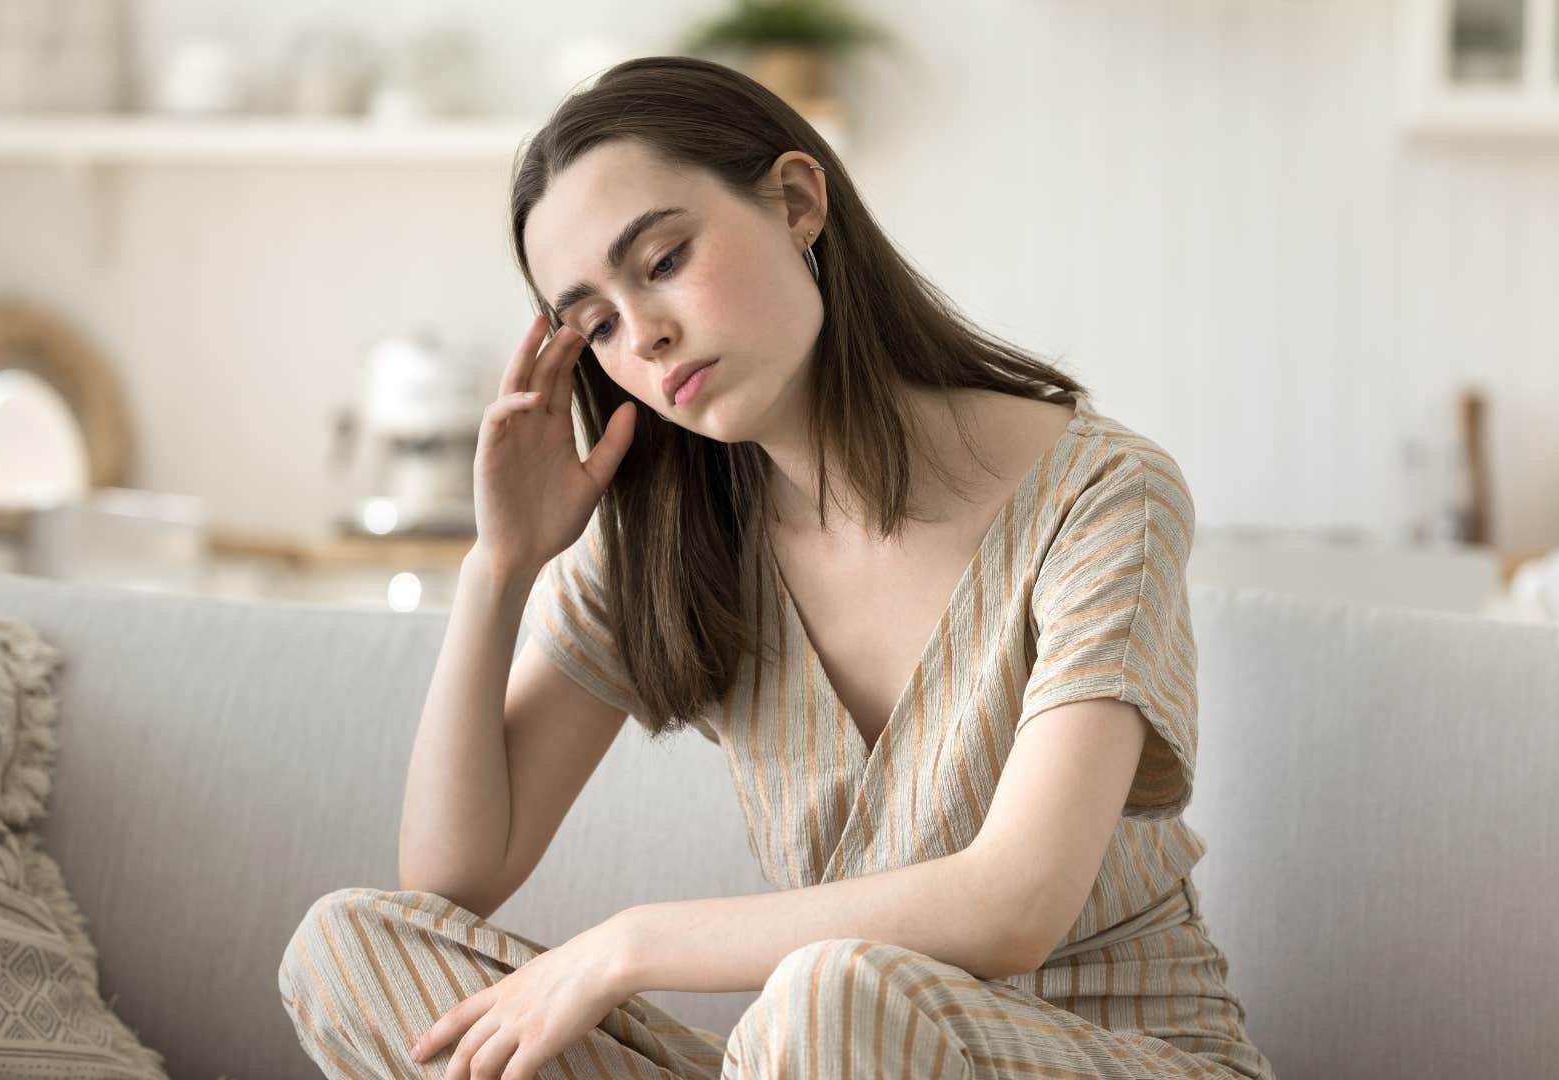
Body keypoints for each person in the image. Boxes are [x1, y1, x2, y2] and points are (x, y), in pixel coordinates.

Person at [279, 55, 1274, 1080]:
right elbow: (454, 875)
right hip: (815, 1056)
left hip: (1100, 1055)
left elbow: (1013, 904)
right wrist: (501, 566)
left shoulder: (1104, 494)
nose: (648, 335)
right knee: (350, 947)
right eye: (599, 325)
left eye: (663, 260)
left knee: (836, 991)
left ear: (798, 200)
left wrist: (627, 947)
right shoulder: (670, 536)